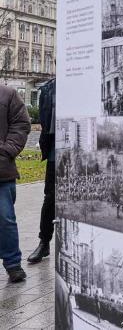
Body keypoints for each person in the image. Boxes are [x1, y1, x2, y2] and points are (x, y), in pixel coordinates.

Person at [0, 85, 31, 283]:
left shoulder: (8, 94)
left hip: (1, 170)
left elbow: (21, 124)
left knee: (5, 219)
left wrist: (6, 151)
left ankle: (13, 264)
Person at [28, 77, 55, 264]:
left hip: (81, 145)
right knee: (50, 197)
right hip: (55, 147)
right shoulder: (48, 89)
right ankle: (44, 242)